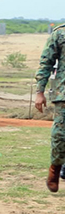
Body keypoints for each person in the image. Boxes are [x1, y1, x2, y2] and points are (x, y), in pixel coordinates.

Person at [35, 23, 65, 192]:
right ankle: (55, 168)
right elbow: (46, 62)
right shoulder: (60, 34)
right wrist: (40, 92)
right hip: (64, 93)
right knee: (60, 136)